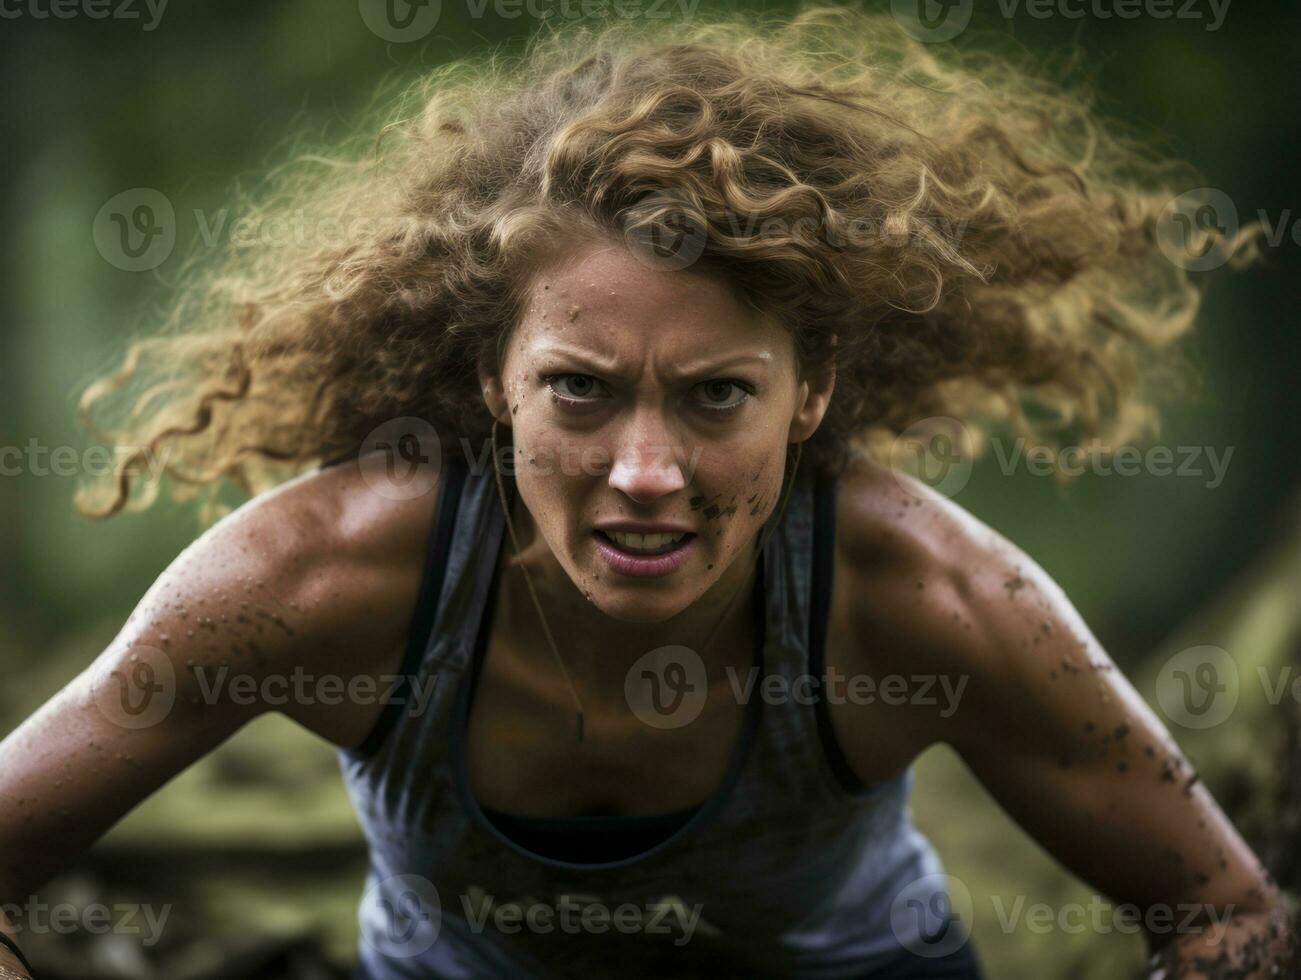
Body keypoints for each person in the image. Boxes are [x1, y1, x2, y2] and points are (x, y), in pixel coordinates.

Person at [1, 6, 1291, 979]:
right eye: (580, 389)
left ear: (815, 391)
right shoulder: (316, 579)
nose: (646, 472)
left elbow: (1230, 917)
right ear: (493, 380)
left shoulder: (923, 599)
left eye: (718, 395)